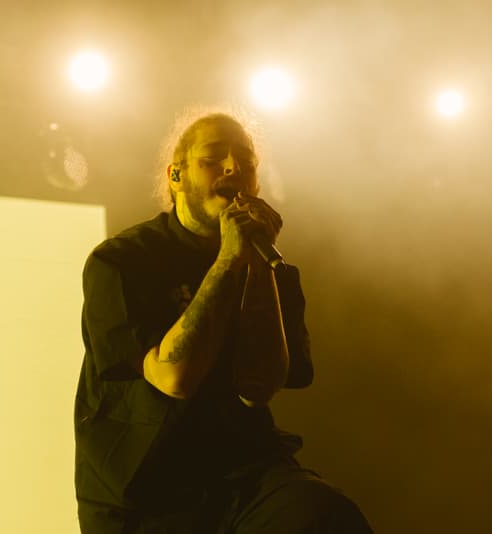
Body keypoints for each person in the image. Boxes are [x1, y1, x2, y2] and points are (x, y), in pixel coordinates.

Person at [75, 110, 372, 533]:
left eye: (247, 163)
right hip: (144, 492)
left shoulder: (274, 270)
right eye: (214, 157)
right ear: (175, 176)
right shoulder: (121, 262)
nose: (234, 167)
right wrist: (229, 258)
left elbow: (259, 386)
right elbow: (172, 377)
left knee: (326, 515)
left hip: (244, 475)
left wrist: (256, 265)